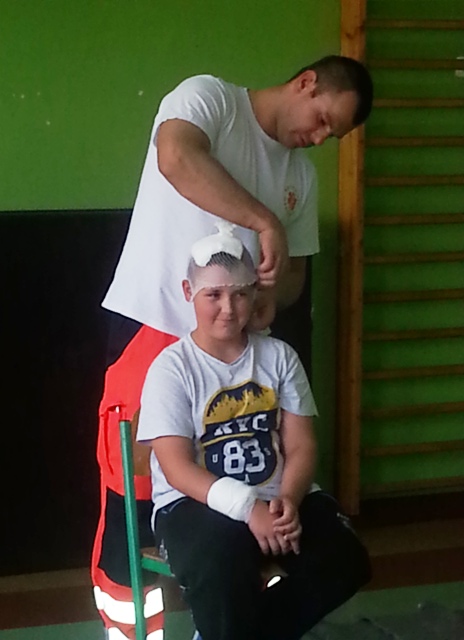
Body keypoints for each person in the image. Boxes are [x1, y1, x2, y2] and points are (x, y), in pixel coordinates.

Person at [91, 55, 373, 638]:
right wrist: (264, 220)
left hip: (240, 349)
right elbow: (176, 157)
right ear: (305, 83)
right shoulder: (211, 99)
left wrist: (270, 297)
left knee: (246, 485)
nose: (320, 137)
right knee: (133, 496)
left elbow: (292, 276)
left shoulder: (301, 177)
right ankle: (131, 628)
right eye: (323, 119)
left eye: (333, 135)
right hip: (153, 328)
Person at [136, 225, 371, 640]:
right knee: (224, 562)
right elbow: (176, 468)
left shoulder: (279, 357)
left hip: (277, 498)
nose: (228, 308)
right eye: (213, 295)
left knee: (346, 560)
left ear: (254, 294)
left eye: (240, 294)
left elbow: (301, 444)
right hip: (194, 504)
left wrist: (288, 501)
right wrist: (249, 509)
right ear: (189, 292)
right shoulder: (172, 368)